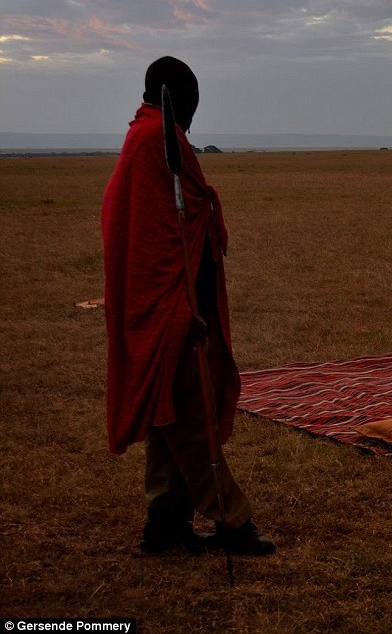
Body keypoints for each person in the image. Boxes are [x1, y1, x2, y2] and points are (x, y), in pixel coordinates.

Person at [102, 56, 274, 556]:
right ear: (177, 97)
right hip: (167, 307)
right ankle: (232, 520)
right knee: (191, 419)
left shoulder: (150, 136)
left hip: (169, 302)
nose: (195, 112)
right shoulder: (156, 140)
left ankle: (164, 523)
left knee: (169, 409)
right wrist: (182, 307)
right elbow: (156, 239)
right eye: (192, 100)